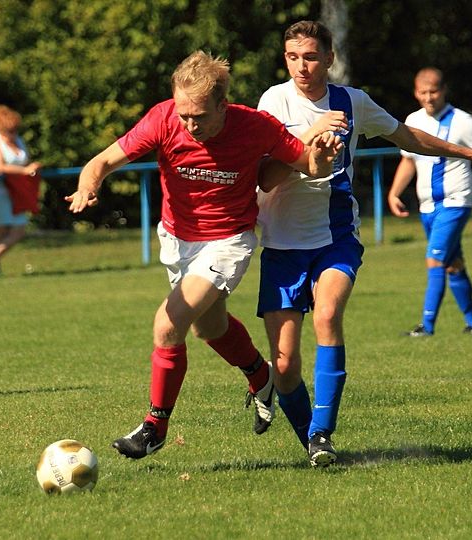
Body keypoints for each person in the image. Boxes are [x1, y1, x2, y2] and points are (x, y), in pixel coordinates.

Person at [67, 50, 342, 460]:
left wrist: (321, 154)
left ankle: (154, 427)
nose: (190, 125)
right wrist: (89, 185)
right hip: (177, 240)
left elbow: (308, 164)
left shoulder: (255, 126)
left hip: (228, 240)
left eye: (199, 116)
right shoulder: (163, 118)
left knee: (167, 324)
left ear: (223, 105)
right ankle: (259, 375)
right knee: (208, 329)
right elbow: (103, 160)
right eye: (183, 116)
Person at [255, 21, 472, 466]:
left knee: (328, 314)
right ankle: (309, 440)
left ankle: (322, 435)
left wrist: (471, 153)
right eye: (293, 57)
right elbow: (265, 178)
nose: (301, 67)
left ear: (329, 58)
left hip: (335, 237)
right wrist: (310, 137)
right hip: (282, 243)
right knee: (286, 366)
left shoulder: (352, 102)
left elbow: (406, 137)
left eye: (310, 56)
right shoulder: (274, 102)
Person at [387, 67, 472, 338]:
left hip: (456, 202)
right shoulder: (413, 120)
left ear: (444, 90)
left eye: (433, 91)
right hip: (427, 206)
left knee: (434, 259)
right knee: (453, 263)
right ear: (416, 93)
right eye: (423, 92)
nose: (429, 97)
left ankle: (426, 326)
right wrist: (394, 193)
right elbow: (408, 161)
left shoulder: (463, 121)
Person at [0, 105, 42, 277]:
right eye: (10, 130)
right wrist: (24, 170)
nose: (13, 133)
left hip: (16, 189)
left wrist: (32, 167)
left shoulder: (19, 141)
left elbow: (25, 163)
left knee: (19, 228)